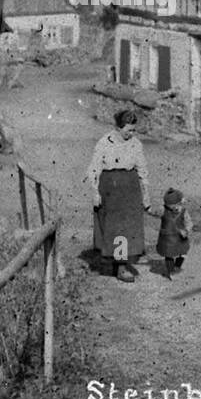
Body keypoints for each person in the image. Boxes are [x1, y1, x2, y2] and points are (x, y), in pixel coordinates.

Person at [84, 108, 149, 281]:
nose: (132, 133)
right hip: (110, 189)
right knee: (116, 228)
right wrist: (95, 193)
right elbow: (94, 169)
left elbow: (142, 169)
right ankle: (119, 267)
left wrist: (146, 194)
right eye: (128, 130)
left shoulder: (136, 144)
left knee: (127, 228)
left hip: (130, 189)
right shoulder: (105, 142)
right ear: (119, 128)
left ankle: (121, 265)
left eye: (134, 130)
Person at [153, 188, 193, 278]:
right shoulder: (163, 210)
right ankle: (171, 271)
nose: (173, 207)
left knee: (183, 252)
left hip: (180, 236)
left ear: (179, 203)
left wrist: (186, 230)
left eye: (174, 204)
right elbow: (155, 212)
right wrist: (148, 209)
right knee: (168, 254)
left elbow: (189, 222)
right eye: (169, 205)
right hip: (167, 238)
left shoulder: (183, 211)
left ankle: (177, 266)